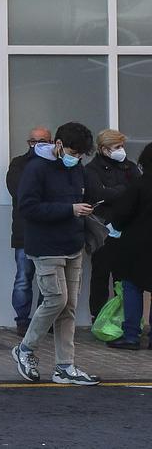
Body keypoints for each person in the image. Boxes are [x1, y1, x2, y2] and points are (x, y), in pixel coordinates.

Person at [11, 122, 101, 386]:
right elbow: (27, 208)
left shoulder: (78, 170)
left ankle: (65, 366)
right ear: (58, 144)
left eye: (82, 154)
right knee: (56, 300)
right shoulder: (36, 168)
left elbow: (87, 195)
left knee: (68, 307)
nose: (78, 158)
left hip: (72, 244)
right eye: (74, 151)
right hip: (46, 246)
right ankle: (25, 349)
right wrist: (69, 210)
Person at [95, 144, 152, 350]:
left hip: (136, 245)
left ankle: (131, 336)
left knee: (132, 287)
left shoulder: (138, 185)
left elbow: (121, 215)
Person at [84, 129, 141, 319]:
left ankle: (122, 317)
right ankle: (98, 317)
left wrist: (114, 192)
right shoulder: (92, 169)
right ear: (104, 149)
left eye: (122, 146)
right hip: (102, 228)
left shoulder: (129, 167)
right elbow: (98, 194)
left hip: (126, 228)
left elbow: (138, 193)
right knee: (100, 274)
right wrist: (123, 190)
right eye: (117, 147)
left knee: (123, 276)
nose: (121, 150)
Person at [7, 126, 52, 335]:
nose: (37, 145)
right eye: (33, 141)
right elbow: (19, 191)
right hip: (24, 232)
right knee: (23, 278)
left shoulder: (56, 165)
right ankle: (22, 322)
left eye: (42, 141)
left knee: (48, 280)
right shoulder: (18, 164)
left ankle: (44, 321)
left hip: (49, 232)